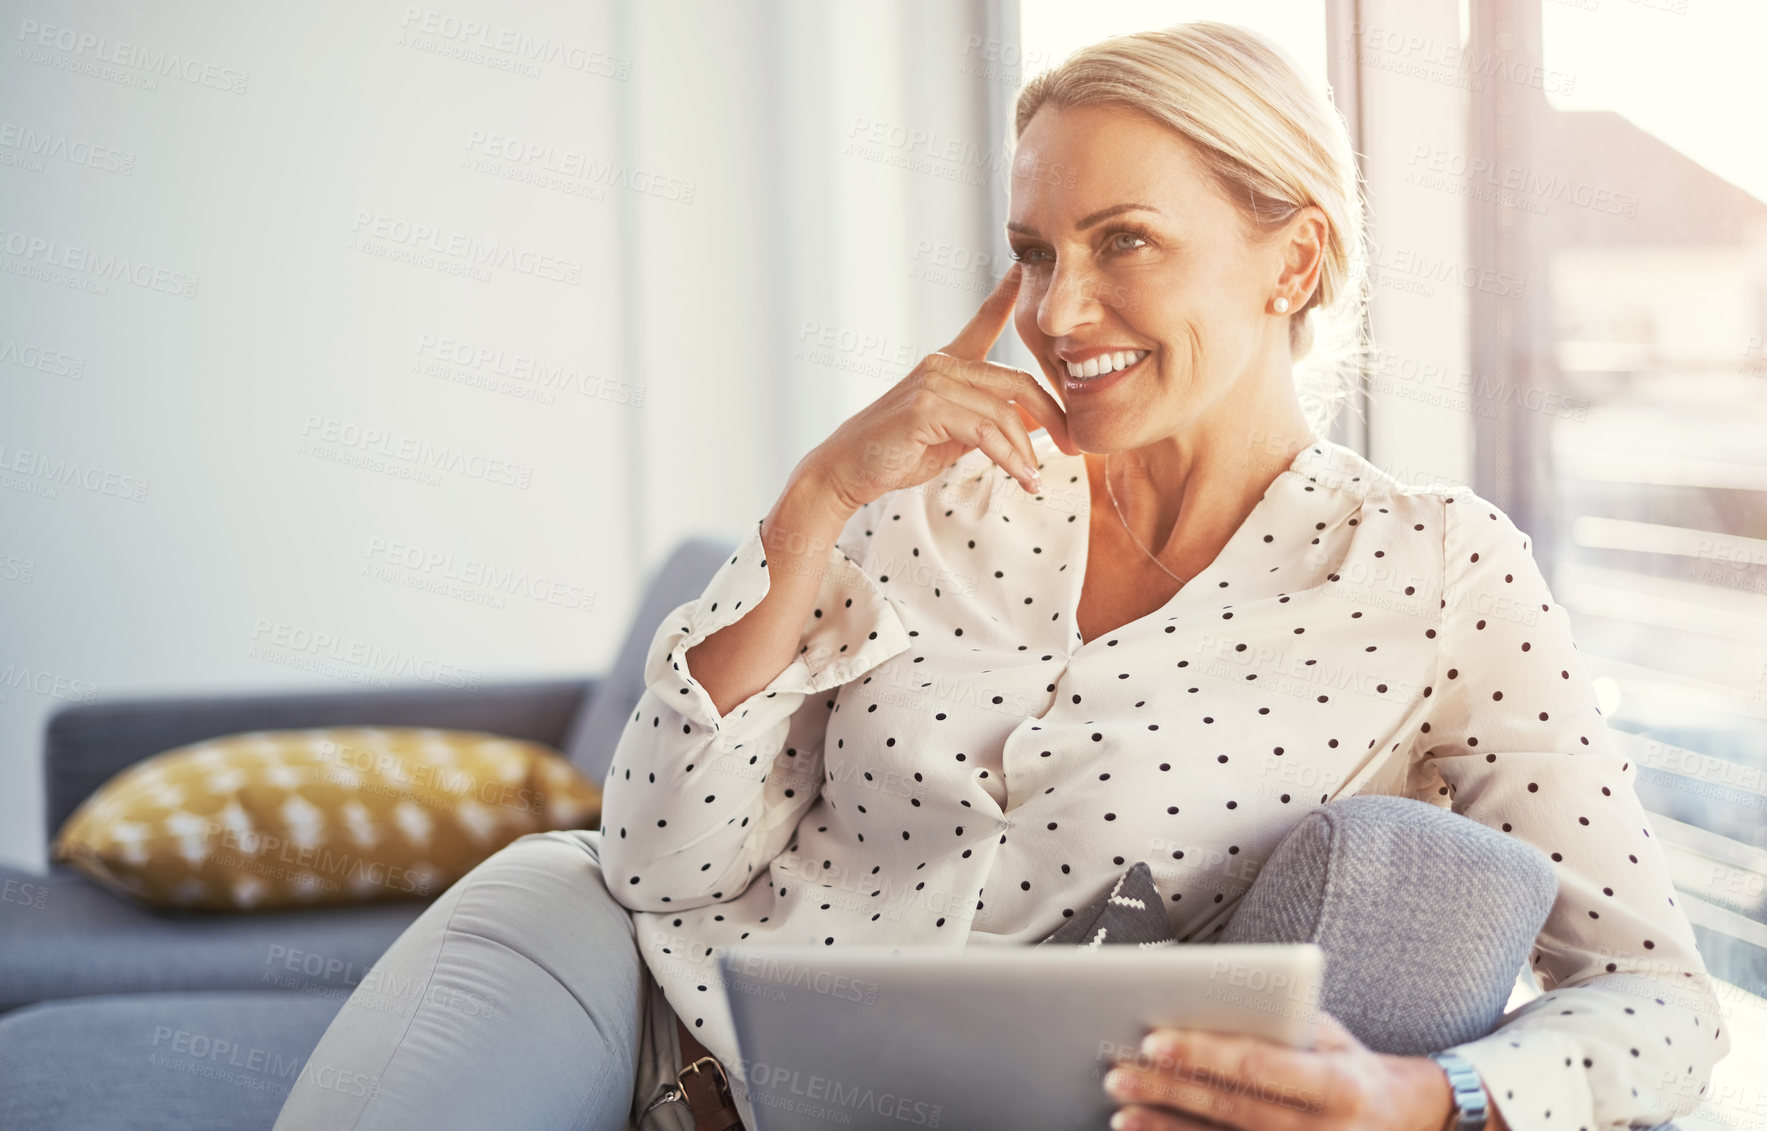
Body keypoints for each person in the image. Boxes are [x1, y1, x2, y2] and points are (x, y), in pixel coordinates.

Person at [275, 22, 1729, 1131]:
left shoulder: (1433, 573)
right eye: (1032, 253)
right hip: (636, 997)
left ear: (1292, 264)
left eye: (1125, 244)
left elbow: (1662, 1003)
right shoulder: (915, 506)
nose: (1058, 312)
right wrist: (818, 498)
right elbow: (658, 860)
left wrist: (1437, 1098)